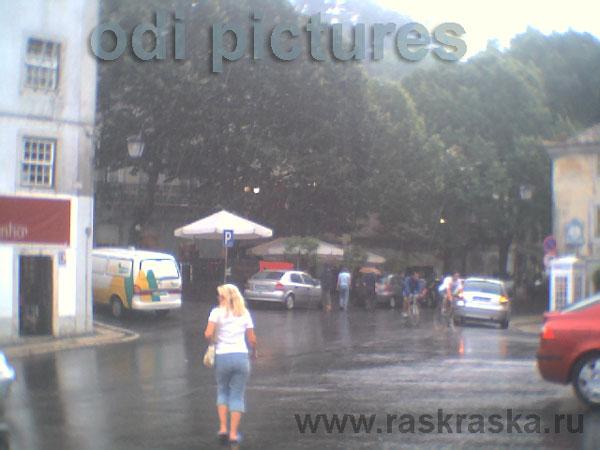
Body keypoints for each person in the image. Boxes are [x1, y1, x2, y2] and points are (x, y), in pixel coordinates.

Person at [204, 284, 257, 445]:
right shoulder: (244, 313)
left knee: (222, 390)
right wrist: (254, 352)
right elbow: (252, 339)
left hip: (222, 356)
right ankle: (234, 434)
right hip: (241, 356)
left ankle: (223, 429)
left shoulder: (216, 312)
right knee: (237, 394)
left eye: (220, 296)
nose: (218, 298)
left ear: (224, 297)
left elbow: (207, 333)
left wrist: (213, 341)